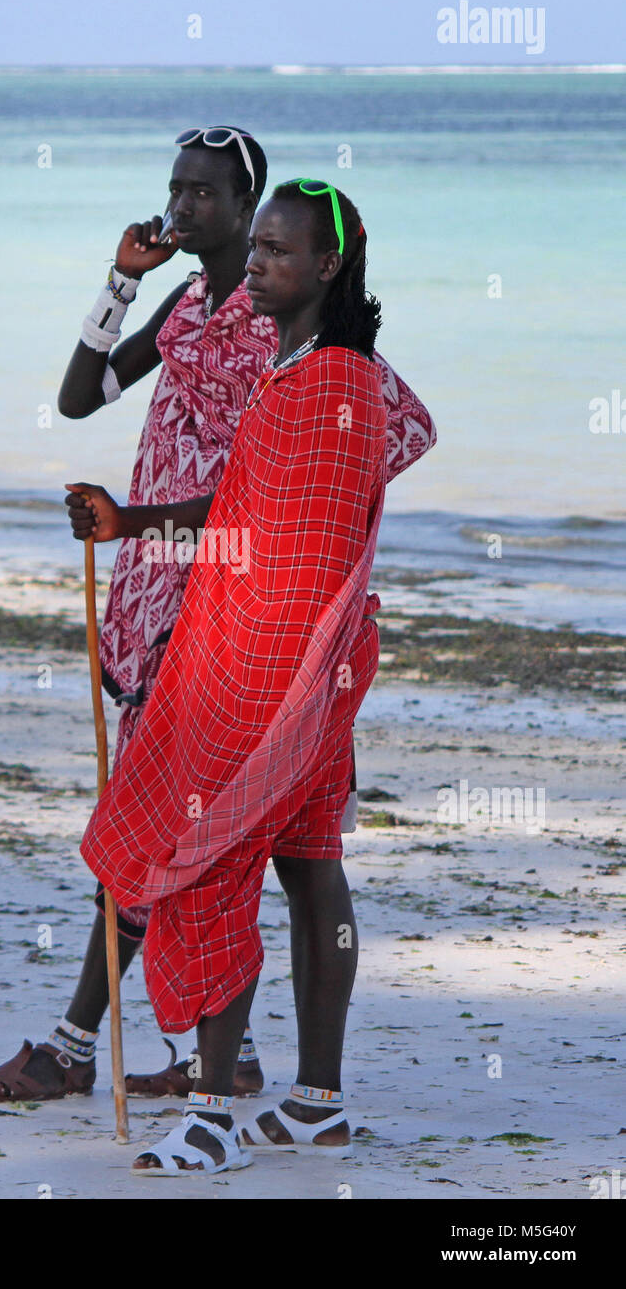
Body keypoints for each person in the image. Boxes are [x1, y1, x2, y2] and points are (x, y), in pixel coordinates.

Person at [0, 133, 434, 1105]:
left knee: (175, 828)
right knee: (188, 831)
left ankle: (77, 1044)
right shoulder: (189, 304)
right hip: (153, 578)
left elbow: (391, 426)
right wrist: (119, 281)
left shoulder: (286, 328)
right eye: (172, 188)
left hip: (227, 599)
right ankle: (227, 1061)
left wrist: (287, 546)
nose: (180, 208)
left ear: (245, 199)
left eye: (203, 193)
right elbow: (80, 395)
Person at [71, 178, 412, 1174]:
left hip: (280, 664)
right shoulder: (293, 366)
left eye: (274, 250)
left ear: (326, 267)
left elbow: (300, 551)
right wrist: (129, 524)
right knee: (307, 862)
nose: (253, 264)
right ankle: (315, 1104)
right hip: (309, 663)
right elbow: (238, 520)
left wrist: (253, 681)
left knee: (204, 857)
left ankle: (212, 1113)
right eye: (253, 247)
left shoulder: (338, 383)